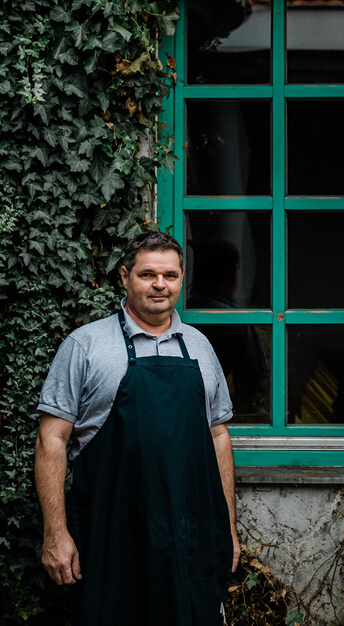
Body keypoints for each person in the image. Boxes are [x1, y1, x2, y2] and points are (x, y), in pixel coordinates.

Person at [34, 231, 241, 626]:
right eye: (147, 274)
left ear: (183, 279)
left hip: (190, 540)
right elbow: (52, 439)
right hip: (113, 539)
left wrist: (226, 529)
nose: (160, 285)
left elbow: (218, 436)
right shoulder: (86, 345)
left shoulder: (200, 347)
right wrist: (55, 533)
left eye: (170, 275)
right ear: (125, 277)